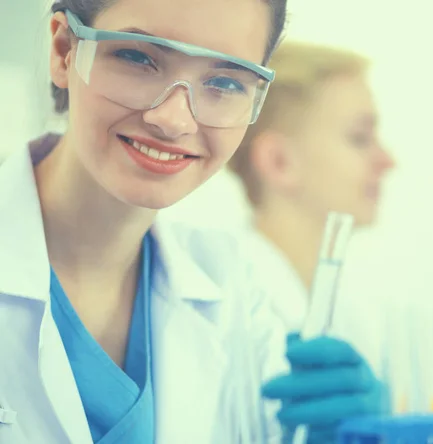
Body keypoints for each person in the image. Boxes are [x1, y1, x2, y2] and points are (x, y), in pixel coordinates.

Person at [0, 1, 389, 443]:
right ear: (64, 50)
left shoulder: (235, 295)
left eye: (224, 83)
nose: (173, 120)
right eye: (137, 58)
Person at [227, 41, 396, 374]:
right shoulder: (230, 309)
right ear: (280, 162)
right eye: (360, 137)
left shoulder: (355, 311)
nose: (388, 162)